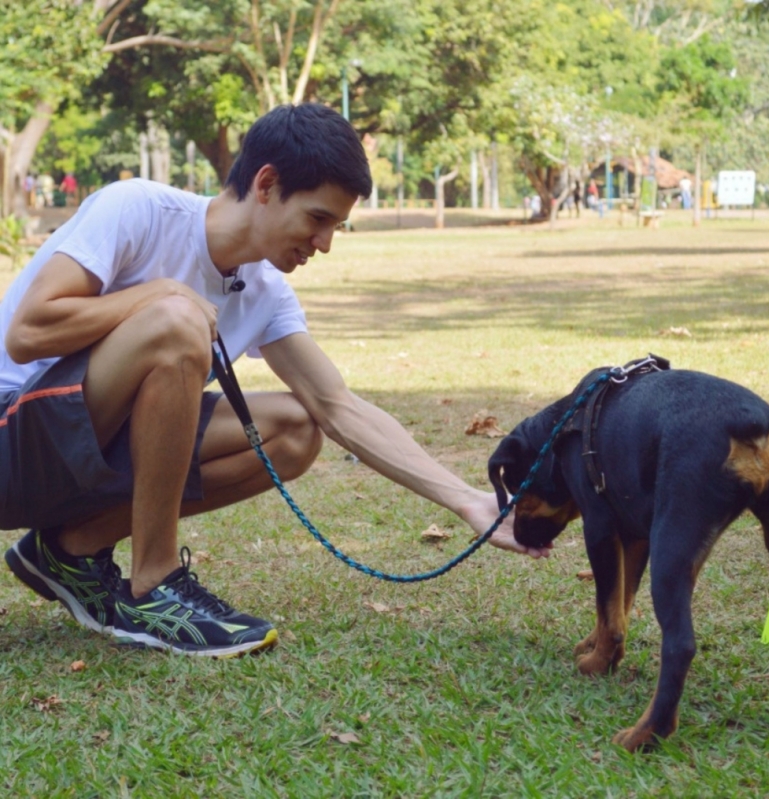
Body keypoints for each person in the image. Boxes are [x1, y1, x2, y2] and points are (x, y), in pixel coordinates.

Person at [0, 103, 549, 659]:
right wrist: (157, 296)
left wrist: (467, 502)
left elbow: (338, 407)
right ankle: (154, 585)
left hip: (76, 462)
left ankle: (70, 549)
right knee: (175, 321)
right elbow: (27, 330)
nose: (326, 242)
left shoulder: (264, 291)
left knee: (293, 430)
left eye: (337, 225)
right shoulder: (139, 210)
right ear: (266, 184)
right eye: (317, 218)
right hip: (11, 443)